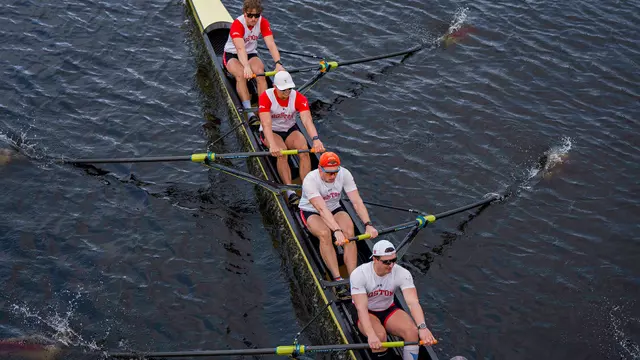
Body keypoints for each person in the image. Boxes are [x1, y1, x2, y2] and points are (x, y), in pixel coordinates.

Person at [350, 240, 437, 360]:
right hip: (366, 312)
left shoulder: (402, 273)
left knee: (412, 331)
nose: (391, 265)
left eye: (394, 260)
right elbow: (361, 308)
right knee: (379, 336)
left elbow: (413, 303)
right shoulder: (359, 274)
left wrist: (422, 327)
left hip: (388, 309)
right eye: (386, 262)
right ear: (375, 259)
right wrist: (371, 335)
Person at [298, 152, 378, 282]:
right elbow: (321, 209)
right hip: (312, 211)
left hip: (334, 207)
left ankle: (353, 278)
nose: (333, 176)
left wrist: (368, 225)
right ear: (320, 169)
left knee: (349, 232)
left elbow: (357, 201)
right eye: (329, 173)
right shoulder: (310, 180)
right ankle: (338, 278)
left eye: (335, 172)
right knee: (325, 234)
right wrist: (336, 230)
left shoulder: (344, 174)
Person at [258, 71, 324, 205]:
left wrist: (316, 139)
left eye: (289, 88)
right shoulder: (266, 96)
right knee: (281, 153)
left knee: (304, 150)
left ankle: (306, 190)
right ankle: (290, 190)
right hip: (271, 131)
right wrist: (272, 145)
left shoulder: (299, 98)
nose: (287, 92)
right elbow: (266, 124)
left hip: (289, 130)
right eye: (283, 89)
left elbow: (307, 121)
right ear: (275, 87)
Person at [222, 0, 285, 123]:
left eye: (256, 16)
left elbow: (271, 44)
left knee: (260, 73)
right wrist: (246, 66)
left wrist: (278, 63)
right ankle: (249, 112)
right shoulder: (237, 24)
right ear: (244, 13)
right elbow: (240, 49)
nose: (253, 19)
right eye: (250, 15)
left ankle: (263, 109)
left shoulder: (263, 22)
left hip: (250, 53)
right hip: (232, 54)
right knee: (241, 74)